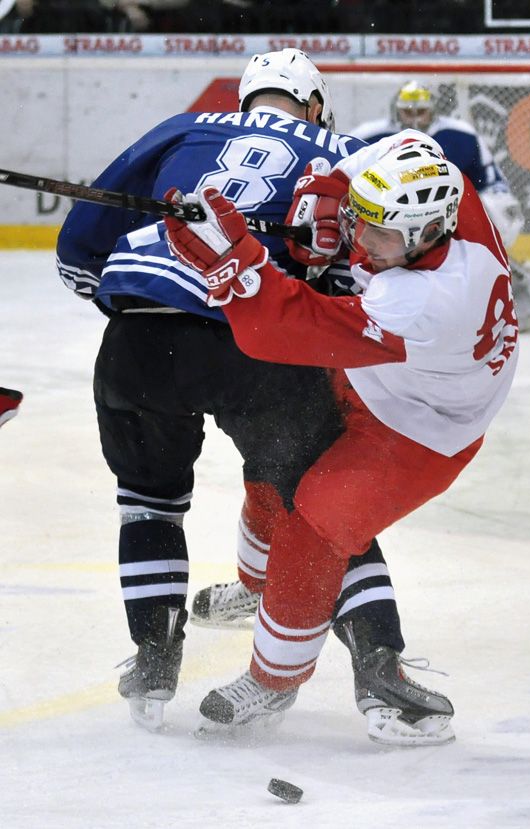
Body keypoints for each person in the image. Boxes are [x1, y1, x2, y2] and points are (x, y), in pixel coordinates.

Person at [55, 49, 424, 737]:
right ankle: (382, 672)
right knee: (323, 511)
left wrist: (144, 300)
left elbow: (77, 247)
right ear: (313, 106)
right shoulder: (344, 153)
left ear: (247, 96)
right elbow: (361, 275)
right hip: (260, 338)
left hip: (141, 335)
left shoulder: (185, 128)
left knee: (148, 504)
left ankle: (154, 659)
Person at [163, 133, 520, 745]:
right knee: (272, 461)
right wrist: (329, 193)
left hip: (417, 434)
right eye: (362, 223)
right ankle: (259, 590)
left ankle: (274, 680)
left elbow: (280, 328)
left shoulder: (423, 301)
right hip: (386, 377)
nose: (361, 243)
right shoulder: (448, 198)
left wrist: (237, 264)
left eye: (379, 236)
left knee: (315, 528)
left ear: (427, 234)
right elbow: (412, 141)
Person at [352, 79, 530, 332]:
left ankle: (494, 281)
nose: (414, 119)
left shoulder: (461, 135)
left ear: (432, 111)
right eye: (407, 112)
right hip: (390, 222)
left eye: (420, 112)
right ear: (395, 110)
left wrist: (493, 221)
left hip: (448, 219)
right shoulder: (370, 135)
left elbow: (491, 181)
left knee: (494, 209)